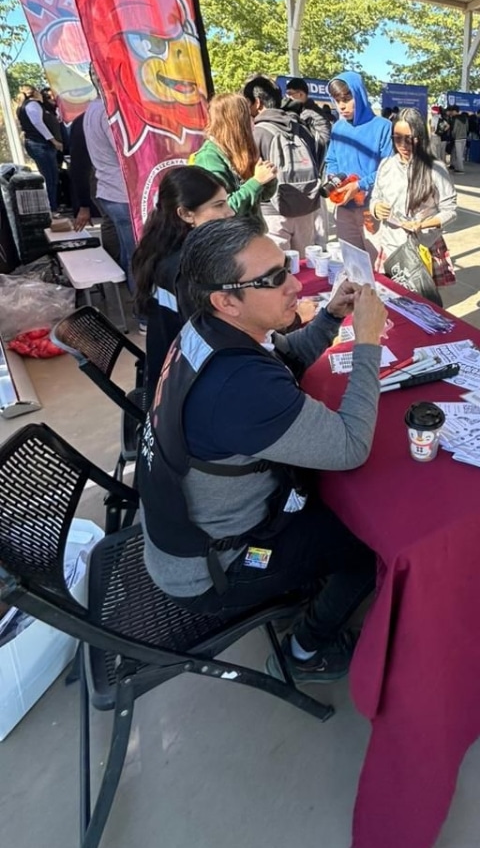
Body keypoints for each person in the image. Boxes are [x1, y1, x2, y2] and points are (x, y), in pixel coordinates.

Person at [140, 216, 388, 684]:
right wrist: (368, 343)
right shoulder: (239, 387)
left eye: (286, 267)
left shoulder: (205, 329)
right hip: (213, 568)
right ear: (226, 300)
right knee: (368, 540)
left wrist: (331, 317)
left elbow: (284, 358)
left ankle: (300, 589)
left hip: (181, 535)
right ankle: (305, 649)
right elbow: (352, 445)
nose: (294, 284)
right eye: (272, 280)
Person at [132, 167, 234, 395]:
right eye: (219, 206)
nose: (230, 212)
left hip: (169, 368)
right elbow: (214, 337)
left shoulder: (163, 248)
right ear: (186, 214)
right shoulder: (188, 268)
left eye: (226, 202)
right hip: (187, 385)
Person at [242, 75, 326, 253]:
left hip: (273, 213)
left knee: (279, 271)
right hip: (307, 205)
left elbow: (249, 175)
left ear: (257, 102)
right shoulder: (301, 127)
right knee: (306, 266)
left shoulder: (257, 133)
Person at [368, 108, 457, 270]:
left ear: (420, 137)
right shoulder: (386, 165)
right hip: (391, 246)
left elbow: (450, 210)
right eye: (397, 138)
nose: (403, 145)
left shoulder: (435, 168)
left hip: (423, 248)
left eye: (409, 139)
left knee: (419, 295)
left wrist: (423, 224)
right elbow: (375, 198)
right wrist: (376, 208)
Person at [323, 72, 393, 249]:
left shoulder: (382, 126)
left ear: (359, 95)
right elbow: (331, 159)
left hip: (372, 208)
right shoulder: (338, 127)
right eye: (337, 101)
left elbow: (390, 169)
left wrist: (360, 185)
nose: (341, 106)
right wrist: (335, 179)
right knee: (352, 262)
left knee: (377, 265)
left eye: (346, 99)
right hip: (344, 208)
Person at [82, 89, 138, 293]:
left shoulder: (93, 108)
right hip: (120, 193)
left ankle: (133, 299)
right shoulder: (108, 112)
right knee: (137, 255)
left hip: (110, 190)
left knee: (128, 250)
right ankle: (143, 317)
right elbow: (126, 152)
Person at [192, 93, 277, 228]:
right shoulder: (208, 158)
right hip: (229, 241)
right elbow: (221, 211)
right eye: (248, 117)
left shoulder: (238, 150)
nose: (253, 122)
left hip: (250, 235)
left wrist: (269, 179)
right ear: (236, 122)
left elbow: (263, 197)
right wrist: (256, 181)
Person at [16, 83, 63, 210]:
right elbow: (38, 123)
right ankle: (51, 207)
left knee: (50, 175)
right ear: (34, 92)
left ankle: (51, 206)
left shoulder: (23, 106)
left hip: (37, 143)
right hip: (40, 144)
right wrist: (53, 140)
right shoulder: (32, 105)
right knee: (50, 177)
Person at [281, 77, 332, 151]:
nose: (287, 97)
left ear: (300, 94)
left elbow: (324, 140)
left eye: (290, 94)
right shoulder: (293, 111)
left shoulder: (316, 114)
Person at [449, 105, 468, 172]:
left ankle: (460, 169)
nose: (452, 113)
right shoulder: (465, 118)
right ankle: (456, 166)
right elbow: (467, 128)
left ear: (454, 111)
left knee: (458, 154)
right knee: (460, 153)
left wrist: (453, 135)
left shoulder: (455, 118)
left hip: (458, 138)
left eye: (452, 111)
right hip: (464, 137)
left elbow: (454, 129)